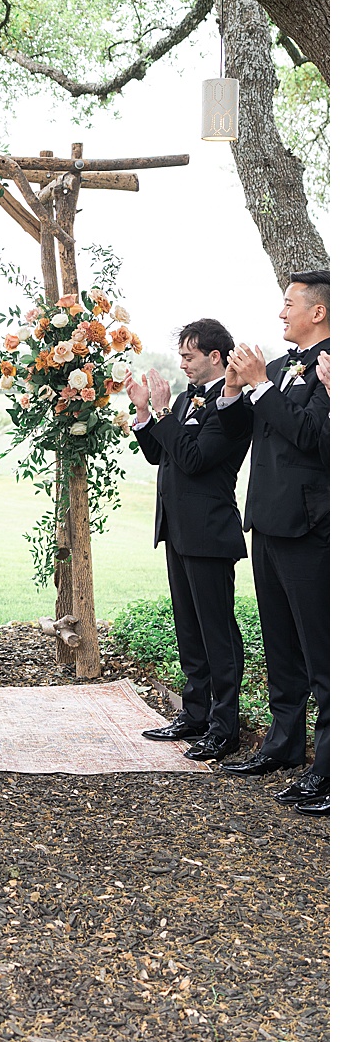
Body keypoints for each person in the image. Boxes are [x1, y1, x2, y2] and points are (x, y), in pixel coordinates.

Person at [216, 272, 329, 815]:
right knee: (280, 645)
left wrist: (261, 386)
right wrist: (237, 391)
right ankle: (283, 745)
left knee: (321, 653)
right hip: (266, 520)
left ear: (320, 312)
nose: (280, 314)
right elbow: (248, 430)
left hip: (310, 527)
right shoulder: (280, 369)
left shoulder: (331, 368)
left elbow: (313, 437)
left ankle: (326, 770)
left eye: (289, 305)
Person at [126, 320, 250, 762]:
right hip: (177, 530)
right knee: (188, 628)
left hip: (210, 531)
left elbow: (195, 459)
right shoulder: (183, 399)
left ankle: (224, 727)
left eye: (188, 356)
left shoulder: (233, 404)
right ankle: (194, 713)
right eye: (180, 355)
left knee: (217, 632)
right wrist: (145, 414)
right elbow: (161, 453)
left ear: (215, 357)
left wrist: (161, 415)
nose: (181, 364)